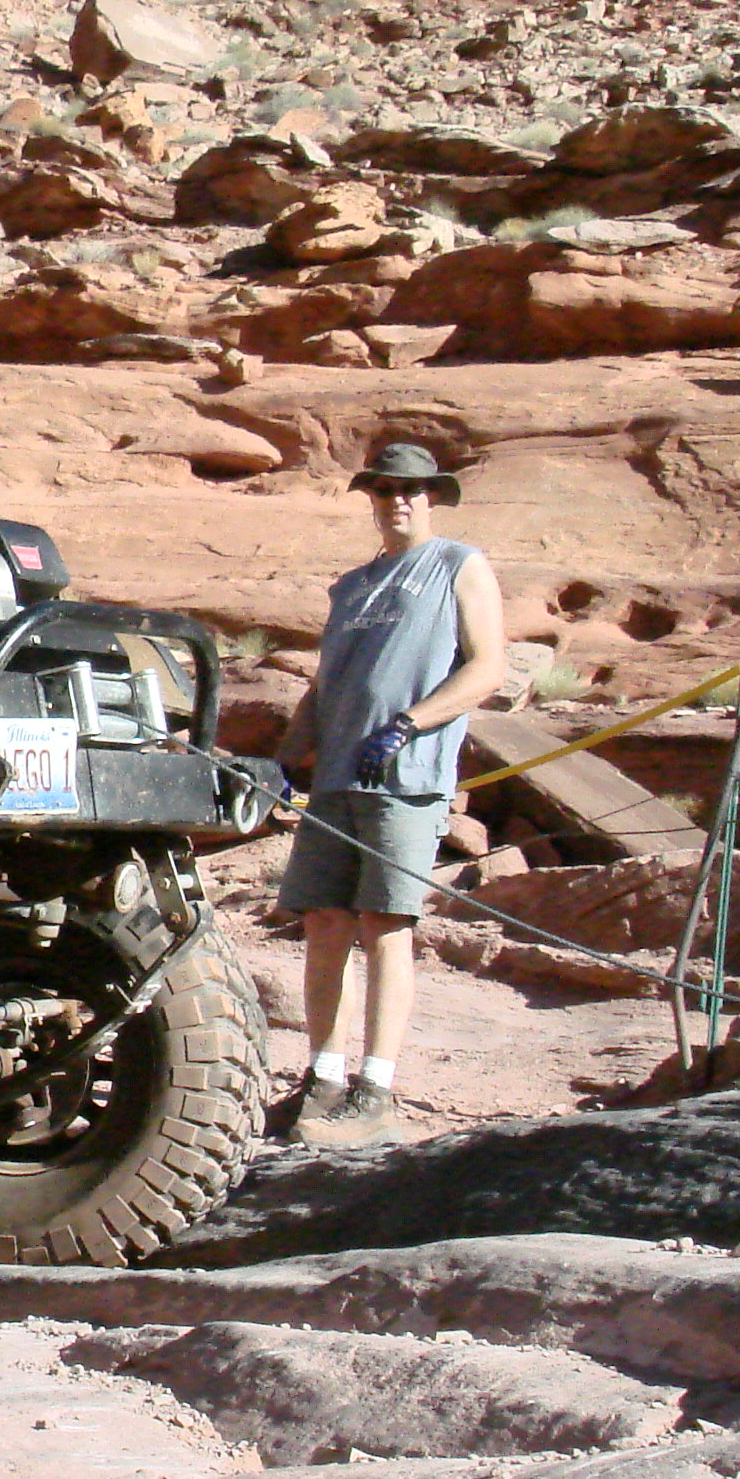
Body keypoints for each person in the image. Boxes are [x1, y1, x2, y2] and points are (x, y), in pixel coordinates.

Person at [270, 442, 509, 1146]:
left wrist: (410, 723)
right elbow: (323, 688)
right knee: (324, 923)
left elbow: (488, 668)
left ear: (432, 497)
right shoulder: (351, 587)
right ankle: (324, 1079)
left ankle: (376, 1090)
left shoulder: (458, 564)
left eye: (410, 489)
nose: (396, 499)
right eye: (383, 489)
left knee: (385, 925)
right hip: (337, 778)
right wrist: (283, 760)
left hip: (405, 776)